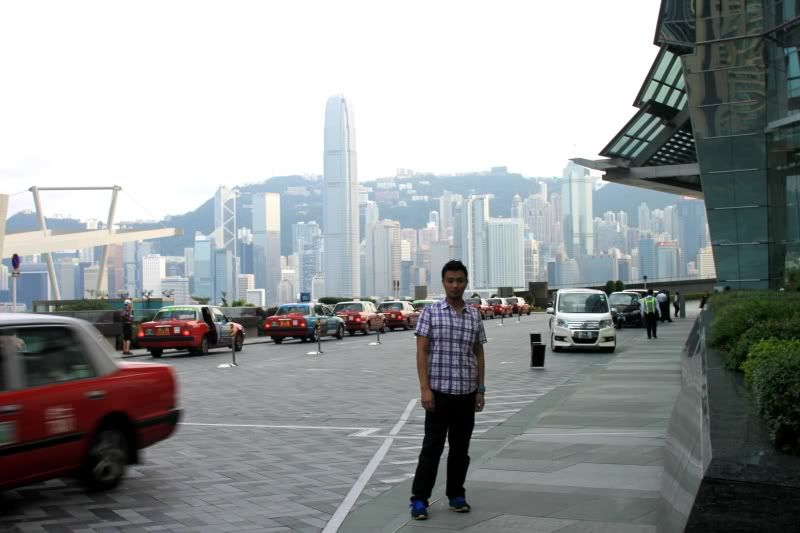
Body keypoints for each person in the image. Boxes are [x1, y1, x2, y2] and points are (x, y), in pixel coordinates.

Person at [409, 260, 486, 521]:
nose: (455, 285)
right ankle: (419, 499)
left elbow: (478, 352)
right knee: (431, 448)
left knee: (460, 450)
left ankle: (456, 494)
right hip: (438, 394)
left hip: (466, 393)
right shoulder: (430, 313)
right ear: (443, 283)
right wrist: (425, 389)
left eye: (460, 280)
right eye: (450, 280)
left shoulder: (474, 314)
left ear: (466, 282)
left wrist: (480, 389)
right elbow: (421, 352)